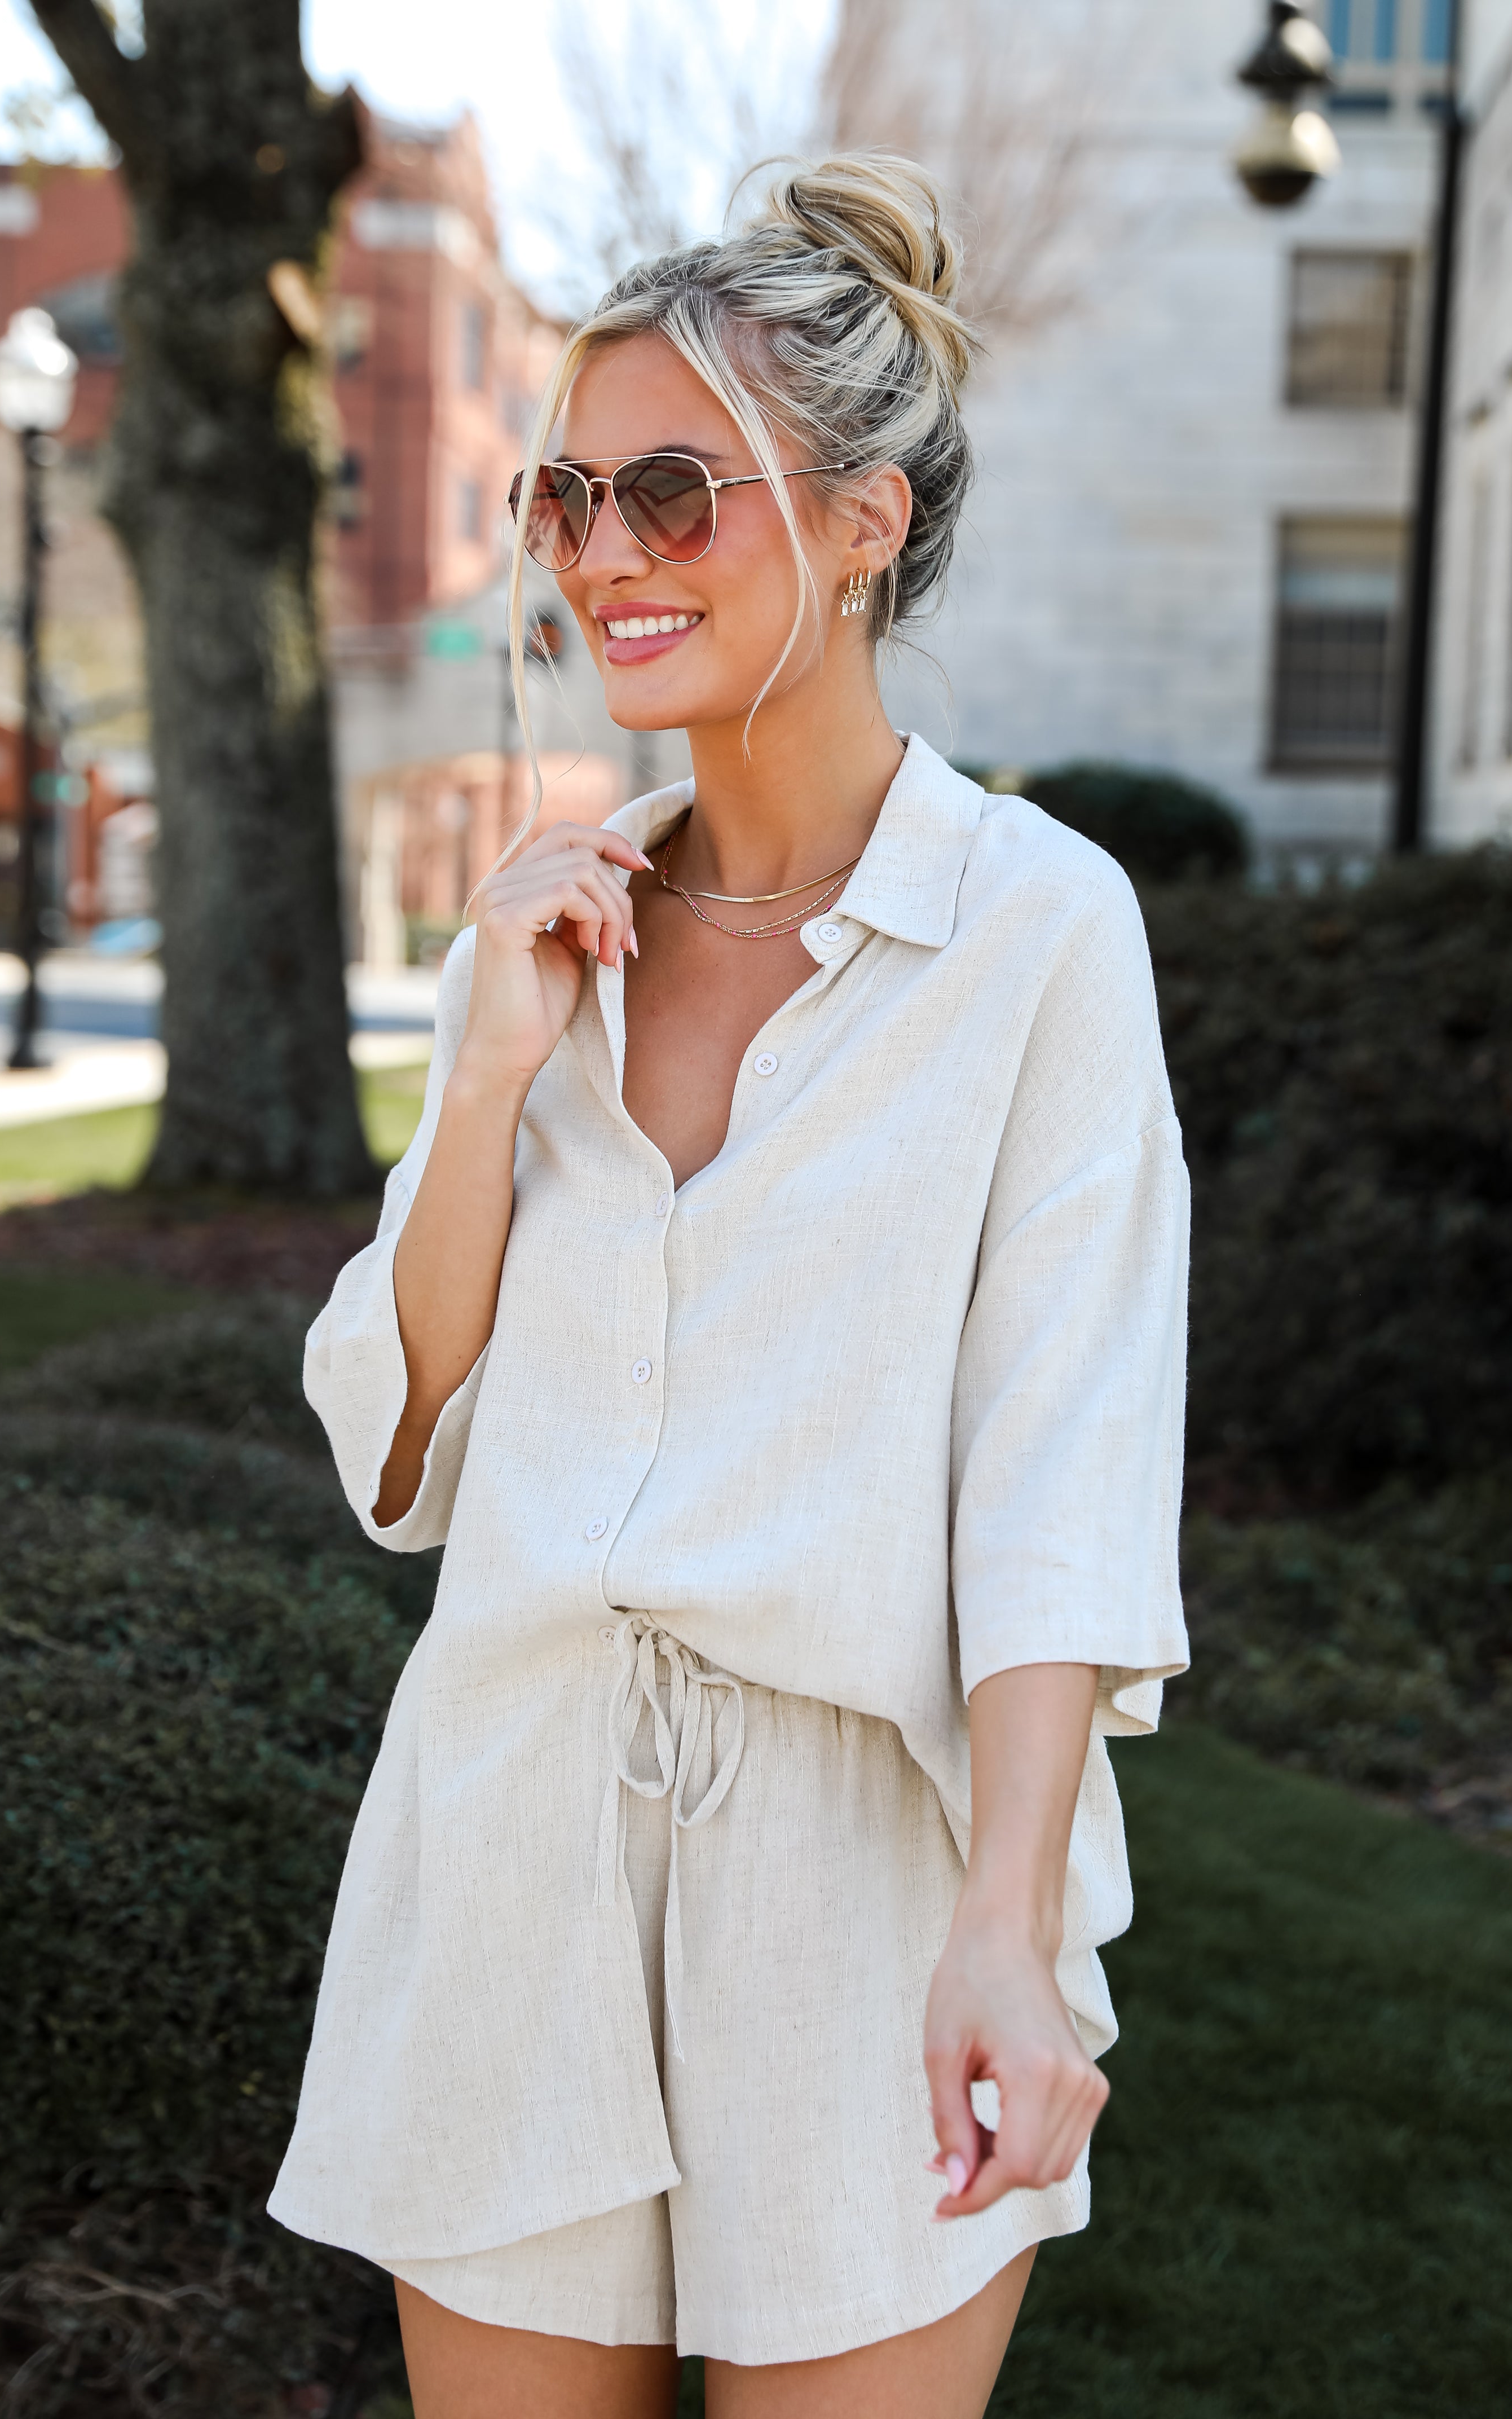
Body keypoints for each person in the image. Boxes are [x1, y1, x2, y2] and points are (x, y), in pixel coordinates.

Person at [270, 152, 1190, 2419]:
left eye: (672, 492)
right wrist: (487, 1071)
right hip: (507, 1843)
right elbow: (399, 1443)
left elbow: (1060, 1457)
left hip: (865, 1879)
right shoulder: (549, 932)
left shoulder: (1039, 930)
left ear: (863, 519)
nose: (600, 554)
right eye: (565, 495)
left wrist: (1005, 1917)